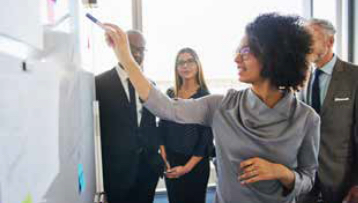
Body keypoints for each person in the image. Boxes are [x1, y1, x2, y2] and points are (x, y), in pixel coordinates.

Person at [104, 13, 320, 203]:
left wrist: (282, 173)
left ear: (273, 55)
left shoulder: (306, 118)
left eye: (245, 51)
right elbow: (165, 107)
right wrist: (126, 57)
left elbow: (308, 179)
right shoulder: (221, 106)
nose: (236, 58)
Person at [95, 30, 164, 203]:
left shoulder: (150, 85)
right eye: (133, 48)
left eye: (142, 49)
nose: (138, 54)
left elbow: (151, 124)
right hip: (117, 172)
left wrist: (158, 158)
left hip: (148, 170)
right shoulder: (99, 84)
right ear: (120, 48)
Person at [297, 18, 358, 203]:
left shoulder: (354, 77)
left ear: (329, 41)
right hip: (305, 179)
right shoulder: (301, 78)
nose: (305, 47)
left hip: (341, 180)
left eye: (310, 41)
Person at [159, 47, 214, 203]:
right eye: (181, 62)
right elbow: (162, 126)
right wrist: (164, 156)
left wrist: (186, 168)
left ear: (197, 65)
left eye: (190, 61)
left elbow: (206, 139)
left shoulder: (206, 96)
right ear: (176, 68)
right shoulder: (170, 94)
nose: (185, 66)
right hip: (171, 160)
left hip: (195, 164)